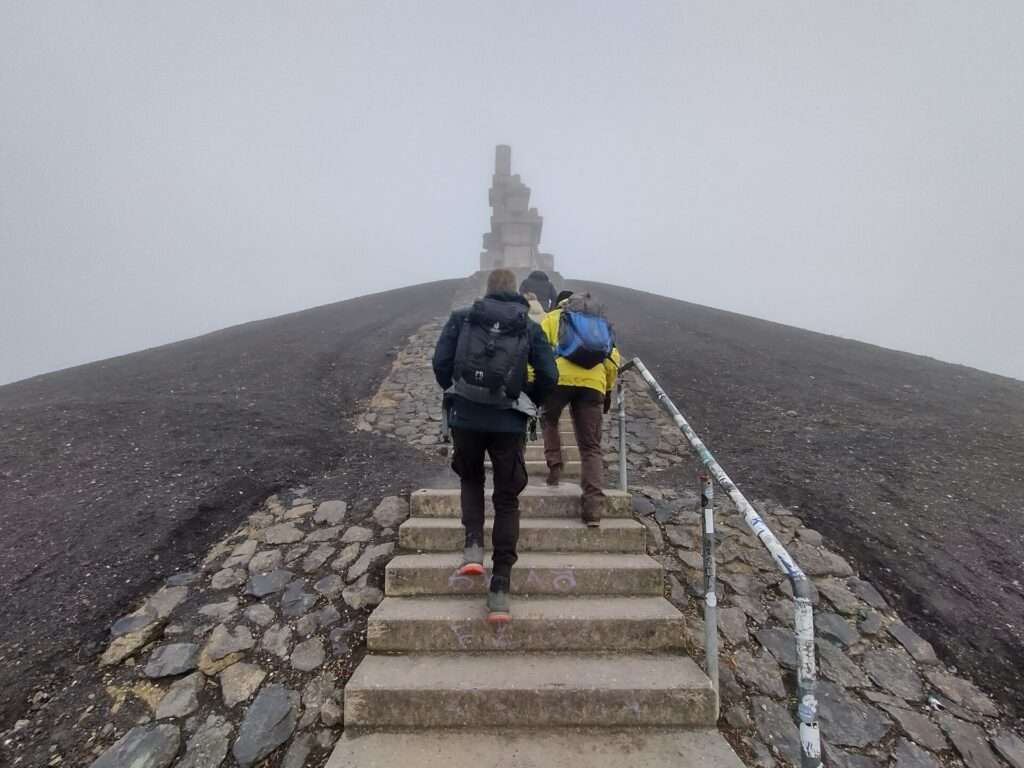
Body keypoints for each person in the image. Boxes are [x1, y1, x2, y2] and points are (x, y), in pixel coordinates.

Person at [432, 268, 558, 622]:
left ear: (487, 290)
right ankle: (500, 587)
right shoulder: (528, 325)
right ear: (515, 292)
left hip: (466, 418)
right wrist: (524, 397)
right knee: (506, 500)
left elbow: (440, 364)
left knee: (471, 480)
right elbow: (550, 376)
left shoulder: (462, 318)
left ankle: (473, 547)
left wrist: (458, 391)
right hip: (508, 421)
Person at [540, 291, 620, 526]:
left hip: (559, 378)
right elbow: (612, 356)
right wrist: (606, 389)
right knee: (590, 447)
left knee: (549, 418)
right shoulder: (599, 322)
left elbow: (540, 351)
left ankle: (554, 462)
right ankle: (593, 508)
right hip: (593, 383)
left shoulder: (554, 317)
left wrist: (536, 380)